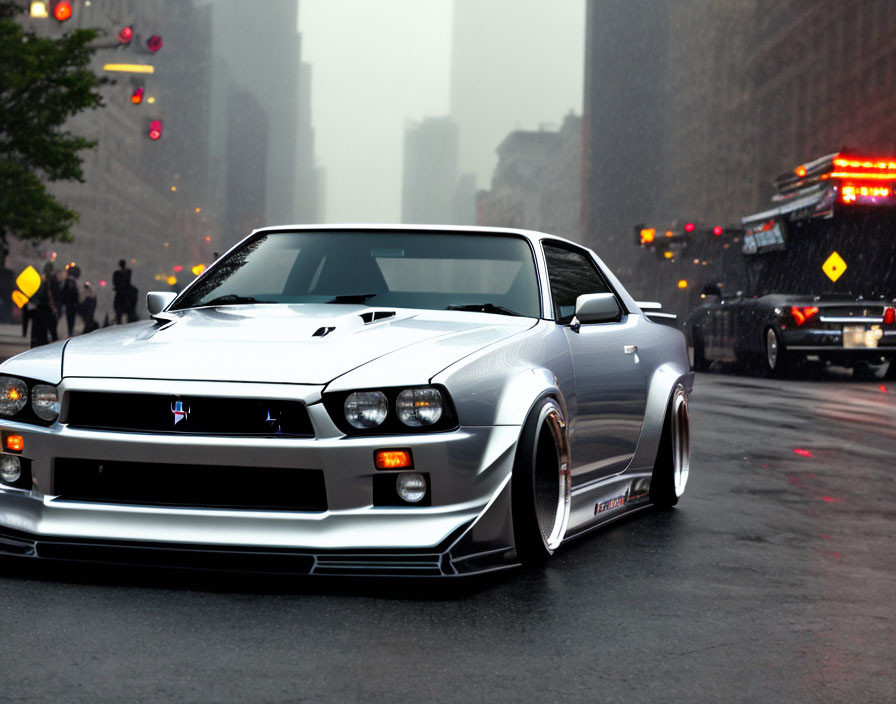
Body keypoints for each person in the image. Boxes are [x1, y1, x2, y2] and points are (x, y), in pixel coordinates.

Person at [112, 258, 138, 323]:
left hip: (125, 291)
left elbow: (124, 281)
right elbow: (116, 282)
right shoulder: (118, 273)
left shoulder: (126, 272)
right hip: (122, 291)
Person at [61, 269, 80, 337]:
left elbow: (76, 295)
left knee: (72, 319)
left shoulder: (73, 285)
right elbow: (64, 295)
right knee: (69, 319)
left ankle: (71, 330)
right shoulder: (67, 285)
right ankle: (70, 331)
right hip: (69, 305)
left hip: (72, 305)